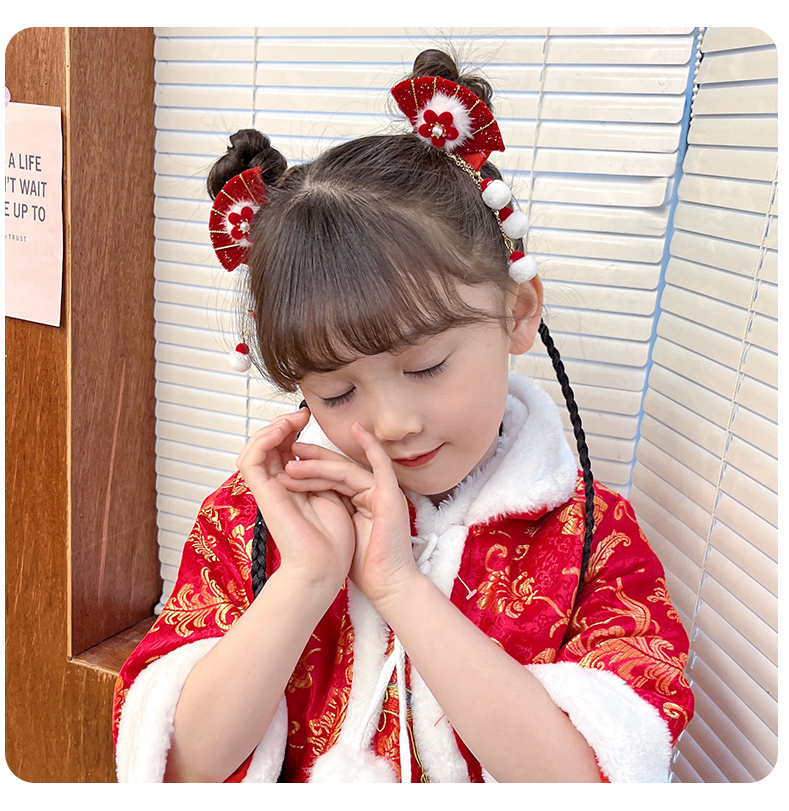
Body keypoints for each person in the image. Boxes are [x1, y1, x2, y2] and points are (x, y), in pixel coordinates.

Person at [112, 49, 694, 783]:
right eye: (336, 393)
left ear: (517, 311)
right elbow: (174, 770)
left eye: (425, 368)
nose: (391, 424)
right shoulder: (254, 519)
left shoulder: (592, 540)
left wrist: (398, 587)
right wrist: (305, 580)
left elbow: (597, 780)